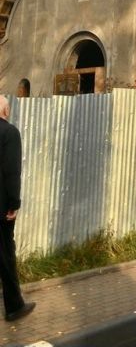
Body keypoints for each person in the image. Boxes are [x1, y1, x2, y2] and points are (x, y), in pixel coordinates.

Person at [0, 95, 35, 322]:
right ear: (5, 110)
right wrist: (14, 204)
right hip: (2, 209)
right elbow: (12, 172)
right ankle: (14, 307)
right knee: (5, 255)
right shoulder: (9, 133)